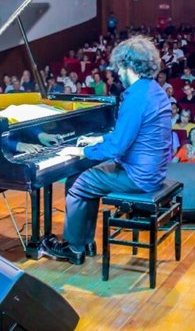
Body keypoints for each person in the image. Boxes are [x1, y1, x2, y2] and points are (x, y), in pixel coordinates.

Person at [42, 36, 171, 265]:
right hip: (152, 170)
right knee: (84, 179)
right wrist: (98, 139)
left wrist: (81, 152)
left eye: (119, 67)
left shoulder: (136, 98)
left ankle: (74, 248)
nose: (117, 73)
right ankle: (86, 243)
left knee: (78, 183)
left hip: (138, 176)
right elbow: (131, 135)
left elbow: (117, 147)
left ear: (128, 65)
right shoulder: (154, 90)